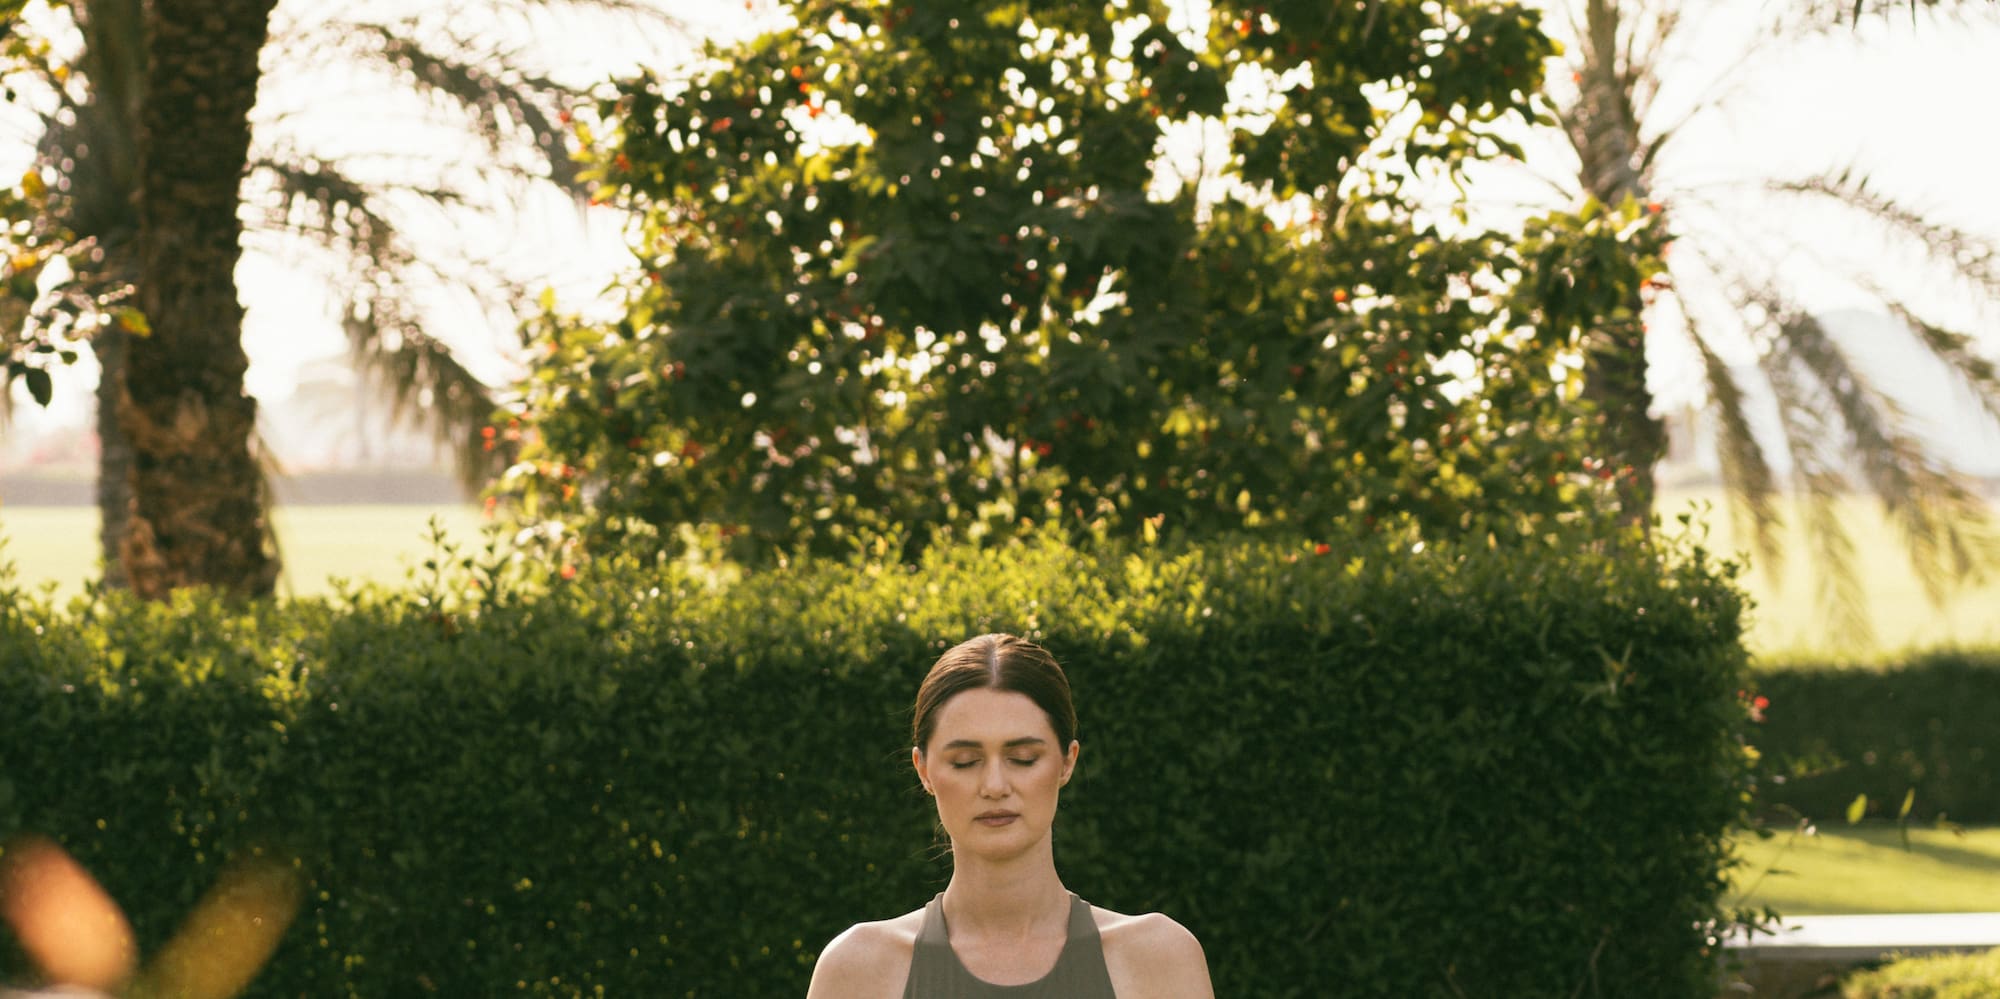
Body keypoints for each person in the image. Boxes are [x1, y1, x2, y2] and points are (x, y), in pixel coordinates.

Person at [806, 633, 1214, 998]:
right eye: (965, 761)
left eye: (1023, 758)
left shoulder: (1158, 960)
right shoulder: (857, 971)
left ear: (1067, 762)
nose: (995, 785)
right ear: (924, 770)